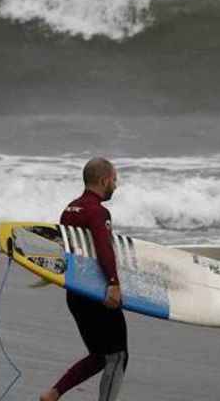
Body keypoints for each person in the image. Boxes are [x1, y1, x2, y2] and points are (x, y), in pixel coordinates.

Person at [40, 157, 127, 401]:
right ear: (104, 180)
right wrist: (113, 283)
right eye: (114, 180)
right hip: (96, 293)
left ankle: (53, 394)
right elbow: (103, 246)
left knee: (100, 355)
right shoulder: (98, 212)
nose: (116, 185)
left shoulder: (70, 209)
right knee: (118, 355)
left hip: (75, 293)